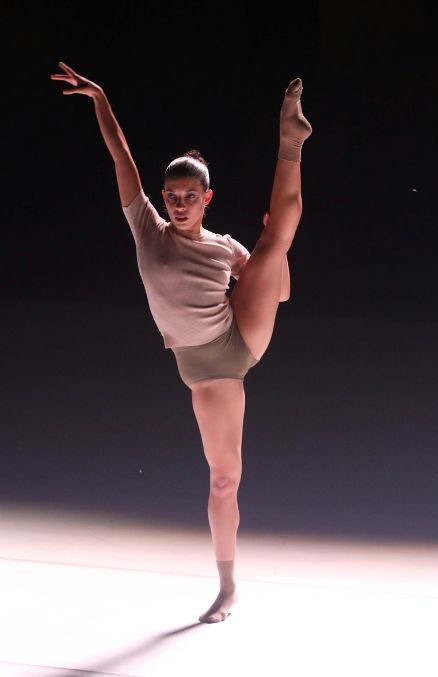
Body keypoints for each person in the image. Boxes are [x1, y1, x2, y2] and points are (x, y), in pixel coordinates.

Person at [54, 62, 311, 623]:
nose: (177, 202)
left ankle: (289, 141)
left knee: (273, 241)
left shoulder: (224, 247)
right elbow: (121, 156)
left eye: (188, 195)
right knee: (224, 480)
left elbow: (281, 293)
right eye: (170, 193)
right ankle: (228, 586)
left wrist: (275, 253)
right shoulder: (147, 227)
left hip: (237, 342)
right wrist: (100, 96)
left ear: (207, 197)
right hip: (203, 369)